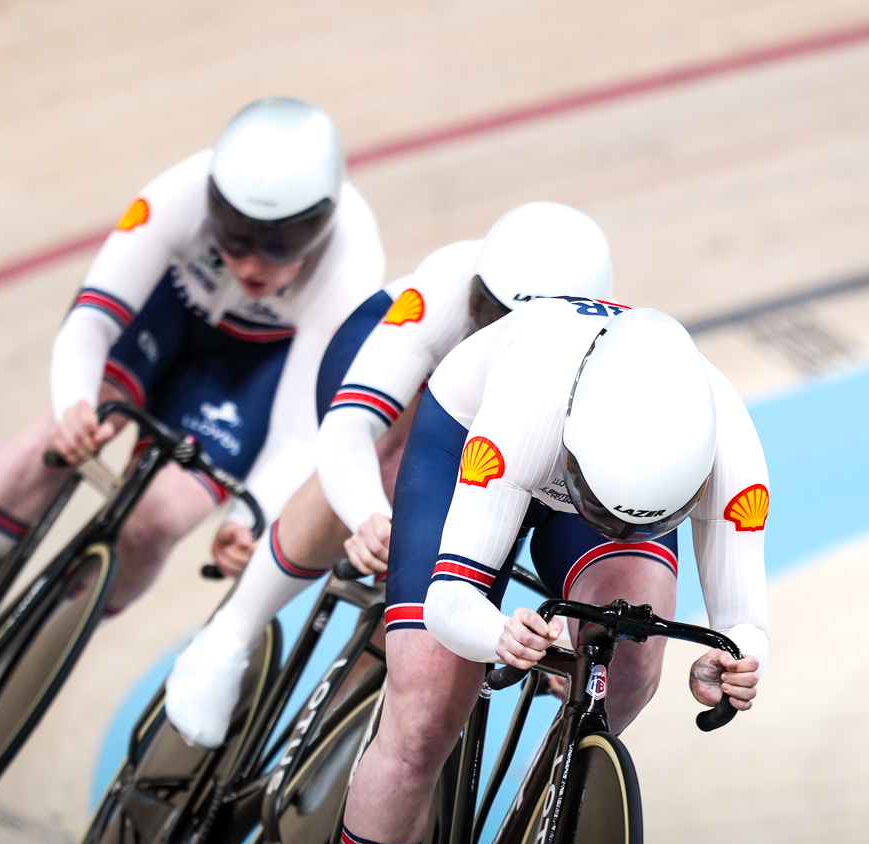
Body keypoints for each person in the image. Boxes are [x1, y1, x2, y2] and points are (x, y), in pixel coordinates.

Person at [318, 298, 773, 844]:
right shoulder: (524, 408)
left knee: (633, 664)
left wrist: (727, 662)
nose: (620, 525)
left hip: (609, 482)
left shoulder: (728, 445)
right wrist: (498, 632)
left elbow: (742, 622)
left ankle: (530, 835)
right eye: (609, 510)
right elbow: (449, 601)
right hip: (476, 434)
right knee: (426, 711)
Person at [0, 98, 384, 706]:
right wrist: (72, 407)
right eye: (235, 235)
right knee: (49, 442)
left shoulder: (351, 267)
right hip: (168, 319)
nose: (252, 262)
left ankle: (27, 650)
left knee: (157, 522)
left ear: (323, 223)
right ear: (213, 201)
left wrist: (244, 519)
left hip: (251, 373)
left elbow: (297, 435)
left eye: (281, 244)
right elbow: (91, 321)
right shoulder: (177, 193)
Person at [162, 202, 614, 747]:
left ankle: (332, 738)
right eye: (486, 310)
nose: (492, 333)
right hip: (398, 359)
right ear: (473, 290)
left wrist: (561, 625)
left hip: (499, 417)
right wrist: (368, 515)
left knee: (440, 569)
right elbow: (347, 432)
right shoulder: (444, 294)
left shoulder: (601, 356)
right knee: (376, 469)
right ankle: (227, 637)